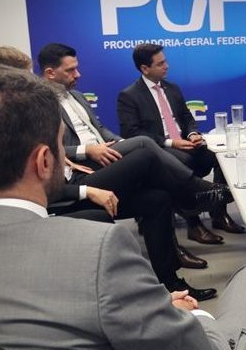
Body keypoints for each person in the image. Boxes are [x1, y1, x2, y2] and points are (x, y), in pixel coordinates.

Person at [0, 65, 246, 350]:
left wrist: (152, 304)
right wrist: (196, 318)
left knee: (155, 197)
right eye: (60, 147)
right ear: (43, 161)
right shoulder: (97, 252)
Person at [38, 42, 225, 284]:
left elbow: (100, 129)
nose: (78, 74)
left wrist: (122, 144)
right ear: (50, 73)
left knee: (158, 198)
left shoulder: (77, 96)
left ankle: (171, 284)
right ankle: (197, 193)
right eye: (70, 70)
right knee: (145, 147)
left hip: (106, 157)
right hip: (80, 174)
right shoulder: (40, 105)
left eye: (77, 68)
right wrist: (87, 150)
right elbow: (48, 149)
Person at [118, 43, 246, 243]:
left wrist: (193, 133)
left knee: (218, 156)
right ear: (145, 68)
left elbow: (186, 118)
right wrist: (171, 143)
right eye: (160, 64)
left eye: (165, 61)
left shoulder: (172, 88)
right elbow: (132, 133)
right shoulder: (129, 96)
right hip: (160, 149)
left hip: (186, 143)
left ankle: (219, 213)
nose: (167, 66)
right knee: (182, 162)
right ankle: (194, 224)